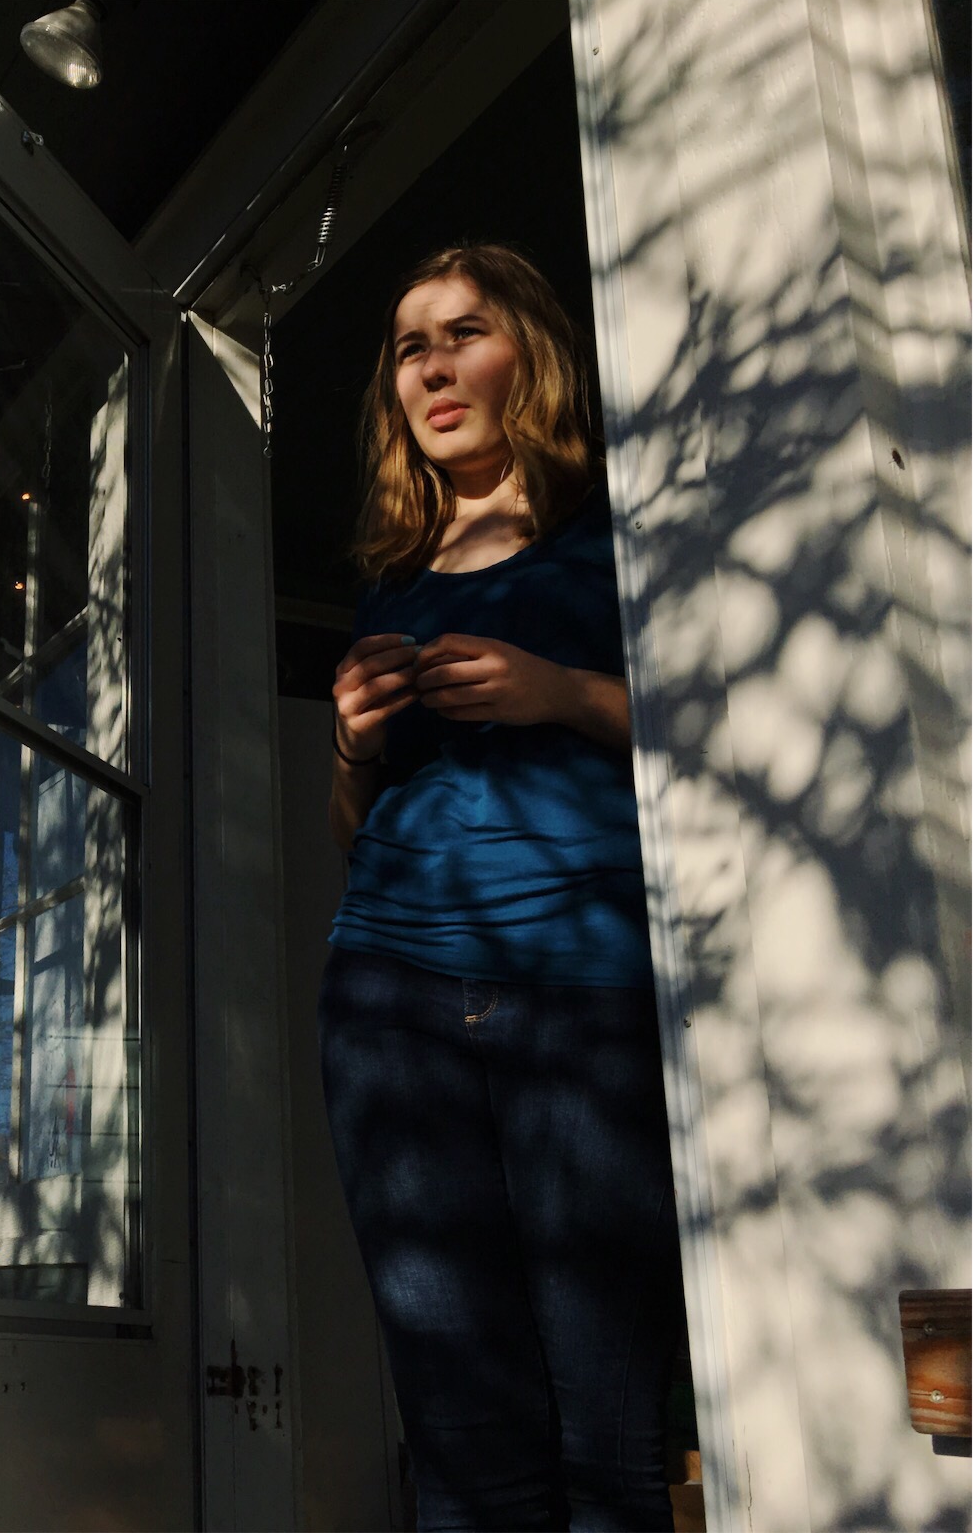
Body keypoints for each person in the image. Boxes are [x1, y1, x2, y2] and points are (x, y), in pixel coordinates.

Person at [321, 243, 684, 1532]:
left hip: (580, 988)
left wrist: (564, 693)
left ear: (529, 351)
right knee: (462, 1448)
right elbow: (353, 822)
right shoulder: (393, 583)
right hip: (389, 1005)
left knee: (611, 1442)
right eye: (410, 349)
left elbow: (720, 734)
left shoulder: (622, 538)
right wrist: (356, 743)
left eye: (462, 334)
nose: (432, 368)